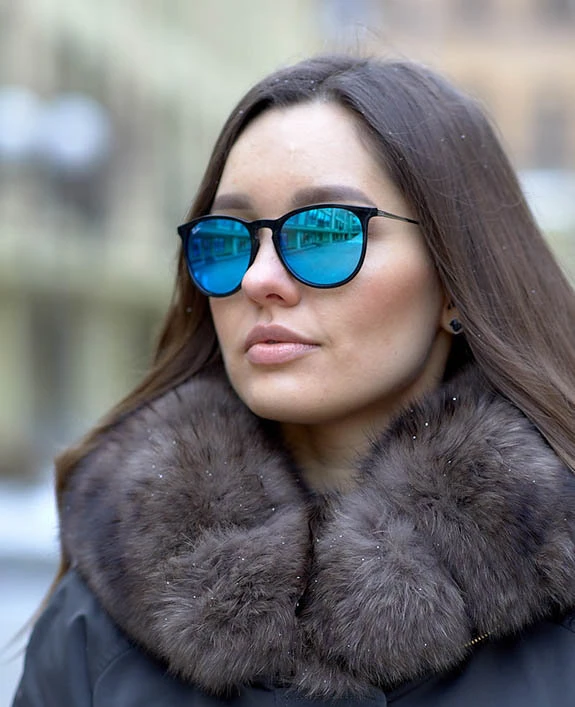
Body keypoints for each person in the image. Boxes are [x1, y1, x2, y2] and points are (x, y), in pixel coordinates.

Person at [12, 54, 575, 706]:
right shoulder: (98, 624)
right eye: (227, 240)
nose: (258, 279)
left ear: (454, 279)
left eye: (323, 232)